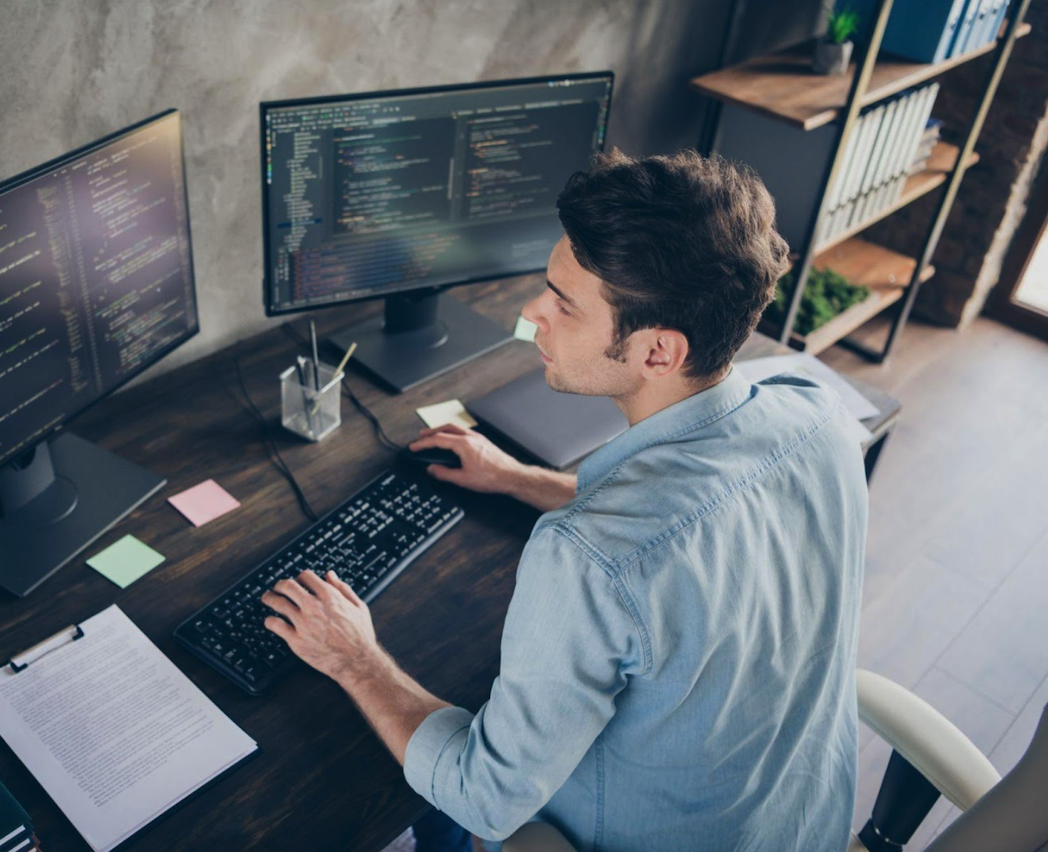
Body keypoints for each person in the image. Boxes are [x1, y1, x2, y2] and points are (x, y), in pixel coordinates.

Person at [260, 150, 869, 851]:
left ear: (658, 352)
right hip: (801, 825)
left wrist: (353, 656)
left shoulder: (585, 556)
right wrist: (520, 477)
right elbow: (702, 517)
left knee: (421, 792)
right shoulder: (816, 414)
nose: (532, 313)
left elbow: (484, 792)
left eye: (563, 303)